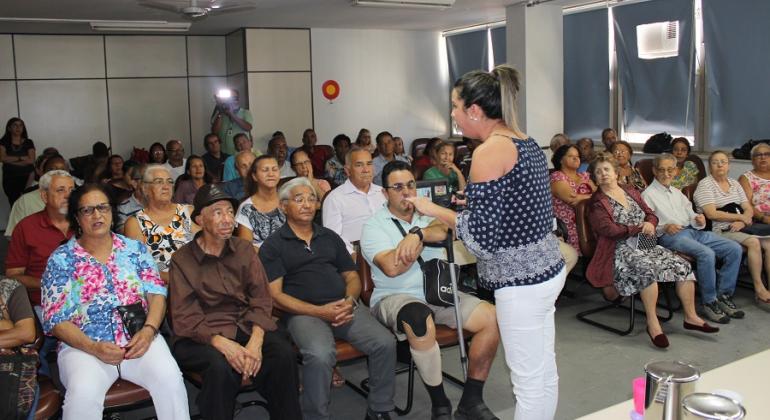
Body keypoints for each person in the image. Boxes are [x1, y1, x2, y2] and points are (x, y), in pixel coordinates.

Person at [407, 66, 566, 420]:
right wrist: (473, 204)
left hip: (520, 283)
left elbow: (479, 240)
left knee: (527, 381)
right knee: (543, 370)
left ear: (475, 111)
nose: (453, 114)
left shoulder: (488, 151)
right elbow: (517, 207)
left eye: (455, 106)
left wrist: (433, 208)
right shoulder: (524, 140)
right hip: (546, 271)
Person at [361, 161, 500, 420]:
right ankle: (440, 404)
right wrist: (427, 236)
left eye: (411, 185)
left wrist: (417, 234)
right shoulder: (373, 226)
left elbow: (448, 228)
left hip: (439, 291)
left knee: (492, 318)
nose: (406, 192)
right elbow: (393, 268)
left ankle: (471, 399)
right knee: (418, 317)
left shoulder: (427, 213)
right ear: (385, 193)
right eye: (398, 187)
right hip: (395, 296)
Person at [41, 183, 189, 420]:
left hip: (139, 338)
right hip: (84, 347)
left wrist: (150, 330)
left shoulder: (135, 249)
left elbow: (156, 293)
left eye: (102, 207)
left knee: (170, 379)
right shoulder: (61, 259)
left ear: (112, 211)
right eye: (87, 210)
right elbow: (56, 319)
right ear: (77, 218)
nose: (97, 215)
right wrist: (92, 347)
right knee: (83, 394)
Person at [260, 177, 396, 420]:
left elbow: (352, 277)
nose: (307, 204)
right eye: (299, 199)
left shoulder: (329, 237)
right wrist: (319, 312)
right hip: (303, 314)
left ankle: (379, 408)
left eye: (312, 199)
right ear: (283, 207)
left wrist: (349, 301)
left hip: (343, 306)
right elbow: (275, 296)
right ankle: (316, 416)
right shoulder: (273, 245)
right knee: (321, 354)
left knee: (384, 342)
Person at [169, 184, 301, 420]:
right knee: (219, 366)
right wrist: (224, 344)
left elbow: (261, 298)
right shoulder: (182, 259)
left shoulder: (244, 249)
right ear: (200, 219)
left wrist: (255, 342)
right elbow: (185, 317)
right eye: (218, 212)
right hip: (200, 335)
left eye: (230, 212)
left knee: (282, 353)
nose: (227, 219)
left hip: (245, 324)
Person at [586, 153, 717, 349]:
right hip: (619, 248)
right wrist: (639, 227)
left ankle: (691, 317)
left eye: (606, 169)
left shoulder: (631, 191)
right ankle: (653, 323)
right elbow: (609, 230)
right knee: (648, 271)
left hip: (645, 243)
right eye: (598, 171)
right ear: (595, 178)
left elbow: (650, 214)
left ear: (615, 173)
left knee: (682, 266)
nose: (603, 174)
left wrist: (650, 222)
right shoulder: (597, 202)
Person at [642, 153, 744, 324]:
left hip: (692, 232)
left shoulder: (677, 193)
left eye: (670, 170)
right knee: (707, 254)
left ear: (675, 171)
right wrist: (663, 227)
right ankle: (709, 301)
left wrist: (699, 219)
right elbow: (646, 225)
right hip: (670, 236)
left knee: (734, 248)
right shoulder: (648, 195)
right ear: (654, 170)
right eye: (661, 170)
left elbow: (692, 215)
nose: (666, 174)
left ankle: (723, 295)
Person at [6, 169, 76, 376]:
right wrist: (48, 283)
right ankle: (44, 388)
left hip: (84, 299)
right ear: (44, 196)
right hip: (42, 302)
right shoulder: (26, 228)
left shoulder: (85, 222)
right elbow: (12, 276)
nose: (68, 196)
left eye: (72, 190)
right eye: (60, 190)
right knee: (35, 351)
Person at [695, 151, 770, 309]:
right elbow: (711, 213)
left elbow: (747, 208)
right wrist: (740, 218)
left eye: (723, 161)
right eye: (715, 162)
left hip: (741, 228)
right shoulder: (705, 185)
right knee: (754, 242)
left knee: (769, 244)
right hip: (718, 230)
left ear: (729, 165)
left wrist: (743, 221)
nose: (720, 165)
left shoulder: (734, 183)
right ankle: (759, 288)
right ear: (710, 166)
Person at [124, 165, 198, 282]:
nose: (166, 187)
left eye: (169, 182)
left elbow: (207, 248)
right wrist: (175, 279)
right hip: (160, 288)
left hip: (198, 280)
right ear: (145, 188)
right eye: (159, 182)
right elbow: (139, 266)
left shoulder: (189, 212)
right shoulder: (135, 223)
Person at [322, 148, 386, 255]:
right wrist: (352, 256)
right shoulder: (335, 198)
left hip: (389, 248)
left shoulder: (383, 192)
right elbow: (333, 238)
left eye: (369, 164)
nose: (366, 170)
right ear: (347, 170)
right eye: (359, 165)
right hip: (356, 254)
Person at [5, 155, 69, 238]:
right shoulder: (25, 201)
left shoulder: (79, 199)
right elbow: (14, 237)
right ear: (43, 173)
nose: (57, 174)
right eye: (51, 170)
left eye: (62, 170)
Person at [0, 276, 37, 420]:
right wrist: (6, 325)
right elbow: (11, 329)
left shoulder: (8, 287)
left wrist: (10, 327)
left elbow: (26, 333)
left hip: (8, 371)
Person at [550, 144, 595, 255]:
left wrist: (582, 198)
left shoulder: (585, 175)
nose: (576, 158)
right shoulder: (557, 176)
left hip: (590, 221)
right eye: (571, 156)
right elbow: (571, 199)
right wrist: (592, 197)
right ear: (561, 159)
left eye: (578, 156)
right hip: (567, 225)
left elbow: (600, 195)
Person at [236, 155, 285, 250]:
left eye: (274, 169)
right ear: (254, 176)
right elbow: (246, 248)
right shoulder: (246, 208)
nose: (271, 174)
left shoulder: (288, 200)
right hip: (262, 260)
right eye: (265, 170)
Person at [0, 118, 36, 205]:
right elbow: (2, 158)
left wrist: (10, 160)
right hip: (10, 178)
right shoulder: (3, 142)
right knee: (14, 204)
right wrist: (21, 158)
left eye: (20, 125)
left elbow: (31, 160)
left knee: (28, 203)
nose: (18, 128)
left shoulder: (28, 142)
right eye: (15, 125)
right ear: (9, 128)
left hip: (28, 178)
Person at [211, 89, 253, 156]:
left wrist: (231, 114)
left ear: (237, 99)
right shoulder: (219, 113)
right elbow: (214, 132)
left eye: (233, 98)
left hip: (241, 152)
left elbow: (248, 127)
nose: (230, 100)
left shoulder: (245, 112)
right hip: (223, 152)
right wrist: (220, 112)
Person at [739, 143, 770, 224]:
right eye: (758, 155)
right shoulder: (746, 178)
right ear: (752, 160)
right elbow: (746, 206)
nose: (763, 157)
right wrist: (763, 218)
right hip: (760, 221)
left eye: (767, 154)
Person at [116, 163, 145, 233]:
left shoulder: (161, 203)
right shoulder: (124, 207)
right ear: (135, 183)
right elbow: (124, 234)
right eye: (147, 179)